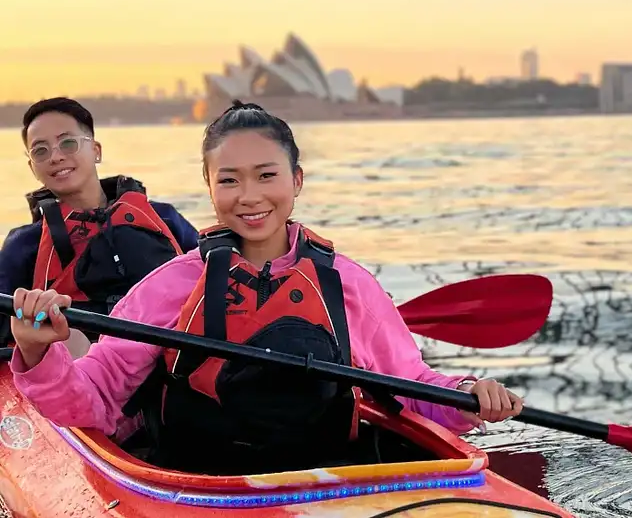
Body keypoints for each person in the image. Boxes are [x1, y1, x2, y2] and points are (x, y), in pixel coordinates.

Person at [7, 100, 524, 475]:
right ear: (209, 187)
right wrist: (36, 353)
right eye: (229, 180)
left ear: (296, 180)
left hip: (327, 480)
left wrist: (466, 396)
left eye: (266, 175)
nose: (249, 196)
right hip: (199, 483)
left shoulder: (347, 283)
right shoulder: (171, 285)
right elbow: (90, 401)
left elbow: (412, 386)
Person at [0, 97, 200, 355]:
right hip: (83, 368)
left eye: (68, 143)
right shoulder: (24, 245)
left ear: (96, 150)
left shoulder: (165, 218)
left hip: (169, 359)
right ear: (32, 167)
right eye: (41, 151)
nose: (56, 157)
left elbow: (215, 279)